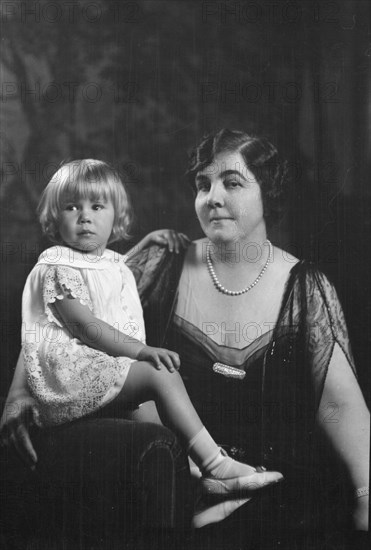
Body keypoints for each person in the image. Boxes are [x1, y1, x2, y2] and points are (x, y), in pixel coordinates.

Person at [123, 129, 369, 540]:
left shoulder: (305, 286)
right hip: (174, 497)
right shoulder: (160, 265)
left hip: (278, 500)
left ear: (267, 194)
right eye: (203, 184)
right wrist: (22, 393)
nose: (213, 197)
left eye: (232, 183)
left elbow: (341, 408)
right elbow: (66, 303)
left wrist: (366, 496)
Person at [0, 159, 282, 516]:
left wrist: (149, 243)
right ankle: (216, 464)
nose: (84, 217)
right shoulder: (56, 264)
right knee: (159, 374)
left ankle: (199, 487)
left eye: (97, 207)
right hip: (68, 374)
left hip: (104, 367)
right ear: (54, 218)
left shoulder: (113, 263)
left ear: (115, 217)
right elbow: (86, 325)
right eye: (72, 207)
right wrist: (143, 350)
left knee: (157, 422)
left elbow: (111, 278)